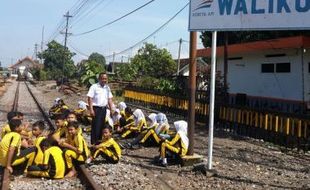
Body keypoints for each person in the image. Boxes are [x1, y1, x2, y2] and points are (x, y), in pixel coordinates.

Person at [87, 72, 113, 145]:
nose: (104, 80)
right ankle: (94, 143)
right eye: (103, 78)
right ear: (99, 79)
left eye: (105, 79)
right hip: (96, 109)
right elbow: (90, 98)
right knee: (96, 126)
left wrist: (111, 110)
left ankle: (99, 142)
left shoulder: (107, 88)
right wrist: (91, 109)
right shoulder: (94, 87)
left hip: (104, 109)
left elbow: (109, 99)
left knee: (102, 126)